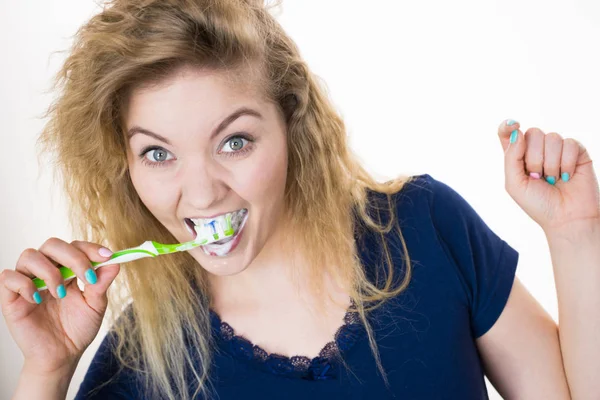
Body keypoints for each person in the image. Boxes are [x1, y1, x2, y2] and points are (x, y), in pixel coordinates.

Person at [1, 0, 599, 399]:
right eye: (158, 153)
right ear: (125, 165)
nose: (202, 191)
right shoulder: (139, 361)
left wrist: (576, 234)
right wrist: (48, 369)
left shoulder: (426, 229)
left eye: (234, 141)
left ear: (293, 127)